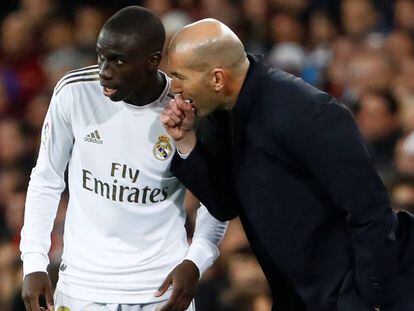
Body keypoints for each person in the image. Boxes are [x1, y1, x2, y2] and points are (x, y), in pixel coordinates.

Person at [160, 19, 414, 311]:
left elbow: (370, 213)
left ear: (218, 79)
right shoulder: (222, 116)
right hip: (299, 296)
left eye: (179, 76)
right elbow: (225, 205)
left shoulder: (308, 112)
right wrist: (186, 142)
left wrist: (370, 298)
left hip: (353, 294)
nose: (174, 88)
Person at [20, 7, 227, 311]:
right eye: (101, 56)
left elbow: (216, 197)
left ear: (153, 61)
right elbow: (46, 180)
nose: (104, 69)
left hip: (160, 289)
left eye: (118, 60)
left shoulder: (187, 108)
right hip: (82, 286)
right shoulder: (74, 93)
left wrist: (196, 261)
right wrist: (34, 262)